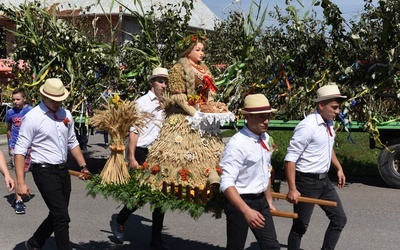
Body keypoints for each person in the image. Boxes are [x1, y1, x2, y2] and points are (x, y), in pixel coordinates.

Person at [144, 32, 232, 189]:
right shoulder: (179, 69)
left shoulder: (204, 69)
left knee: (208, 152)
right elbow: (179, 97)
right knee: (181, 154)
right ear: (188, 51)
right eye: (198, 49)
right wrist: (195, 114)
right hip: (184, 118)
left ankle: (209, 182)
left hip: (203, 118)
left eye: (202, 50)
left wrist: (211, 108)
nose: (201, 53)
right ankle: (179, 184)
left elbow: (209, 93)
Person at [14, 78, 91, 250]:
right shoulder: (32, 117)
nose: (58, 102)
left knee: (58, 214)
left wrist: (83, 166)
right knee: (62, 217)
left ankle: (34, 243)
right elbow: (20, 150)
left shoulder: (66, 115)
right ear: (44, 96)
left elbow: (73, 142)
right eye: (54, 99)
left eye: (60, 99)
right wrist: (20, 182)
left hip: (63, 171)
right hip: (44, 172)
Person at [111, 67, 170, 249]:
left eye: (165, 81)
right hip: (142, 151)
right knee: (141, 195)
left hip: (159, 153)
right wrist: (132, 157)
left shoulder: (167, 103)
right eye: (160, 81)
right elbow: (134, 131)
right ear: (151, 82)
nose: (163, 85)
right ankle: (120, 220)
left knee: (160, 197)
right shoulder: (142, 103)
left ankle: (156, 239)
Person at [284, 84, 348, 250]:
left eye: (338, 108)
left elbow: (327, 147)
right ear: (321, 105)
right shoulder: (307, 126)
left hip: (324, 181)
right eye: (334, 108)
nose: (337, 112)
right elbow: (290, 159)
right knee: (300, 227)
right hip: (306, 181)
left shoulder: (329, 123)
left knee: (339, 219)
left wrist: (338, 168)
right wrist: (292, 188)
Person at [219, 93, 280, 250]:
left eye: (267, 116)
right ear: (247, 116)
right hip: (240, 202)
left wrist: (269, 201)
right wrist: (246, 211)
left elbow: (265, 171)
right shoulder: (237, 144)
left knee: (271, 246)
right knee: (236, 246)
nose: (266, 121)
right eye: (260, 117)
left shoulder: (266, 138)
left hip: (261, 201)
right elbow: (226, 183)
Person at [6, 87, 33, 214]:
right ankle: (18, 201)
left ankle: (20, 191)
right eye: (13, 99)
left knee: (23, 172)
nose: (15, 102)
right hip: (15, 145)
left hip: (28, 145)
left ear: (24, 99)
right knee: (18, 172)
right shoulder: (10, 113)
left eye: (18, 99)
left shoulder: (31, 112)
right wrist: (9, 145)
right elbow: (9, 129)